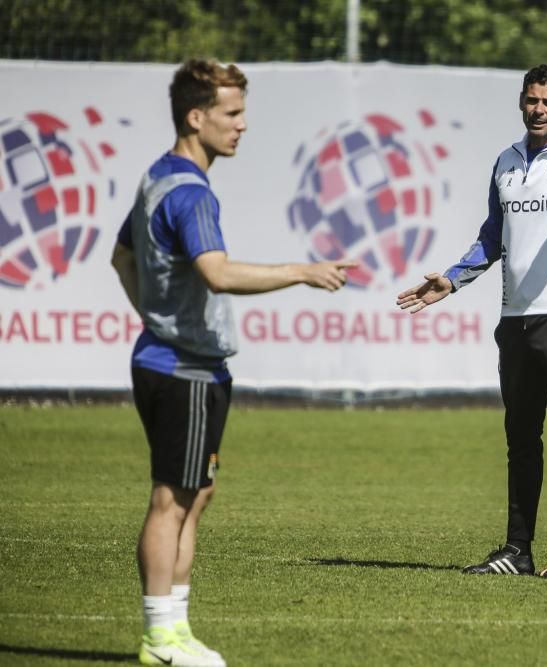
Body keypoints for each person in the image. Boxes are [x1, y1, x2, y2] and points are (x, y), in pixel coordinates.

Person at [111, 59, 355, 666]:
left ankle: (175, 628)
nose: (243, 125)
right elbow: (216, 273)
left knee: (197, 493)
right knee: (173, 499)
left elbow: (121, 258)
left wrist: (157, 314)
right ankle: (160, 636)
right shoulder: (191, 192)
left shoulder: (159, 177)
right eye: (232, 113)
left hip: (181, 362)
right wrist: (301, 270)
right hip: (183, 368)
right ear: (197, 117)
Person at [396, 64, 547, 579]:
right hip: (514, 321)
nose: (538, 109)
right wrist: (451, 278)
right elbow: (494, 235)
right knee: (520, 438)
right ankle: (519, 550)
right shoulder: (505, 162)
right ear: (522, 103)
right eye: (531, 100)